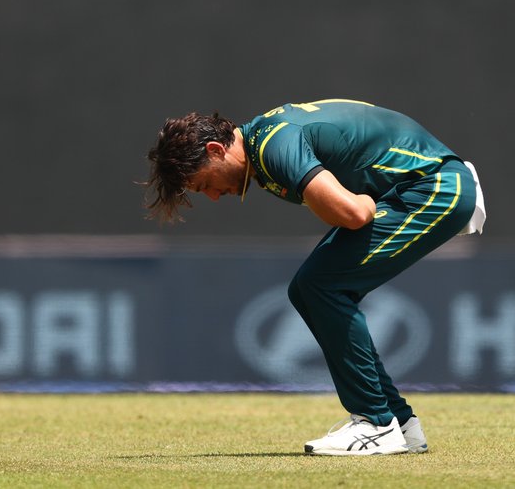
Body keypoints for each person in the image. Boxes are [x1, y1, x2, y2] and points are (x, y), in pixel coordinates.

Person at [144, 99, 485, 456]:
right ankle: (398, 424)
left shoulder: (274, 145)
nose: (214, 197)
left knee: (323, 286)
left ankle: (375, 422)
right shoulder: (266, 143)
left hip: (435, 187)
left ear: (216, 149)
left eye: (204, 184)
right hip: (419, 187)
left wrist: (366, 203)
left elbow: (352, 213)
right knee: (308, 288)